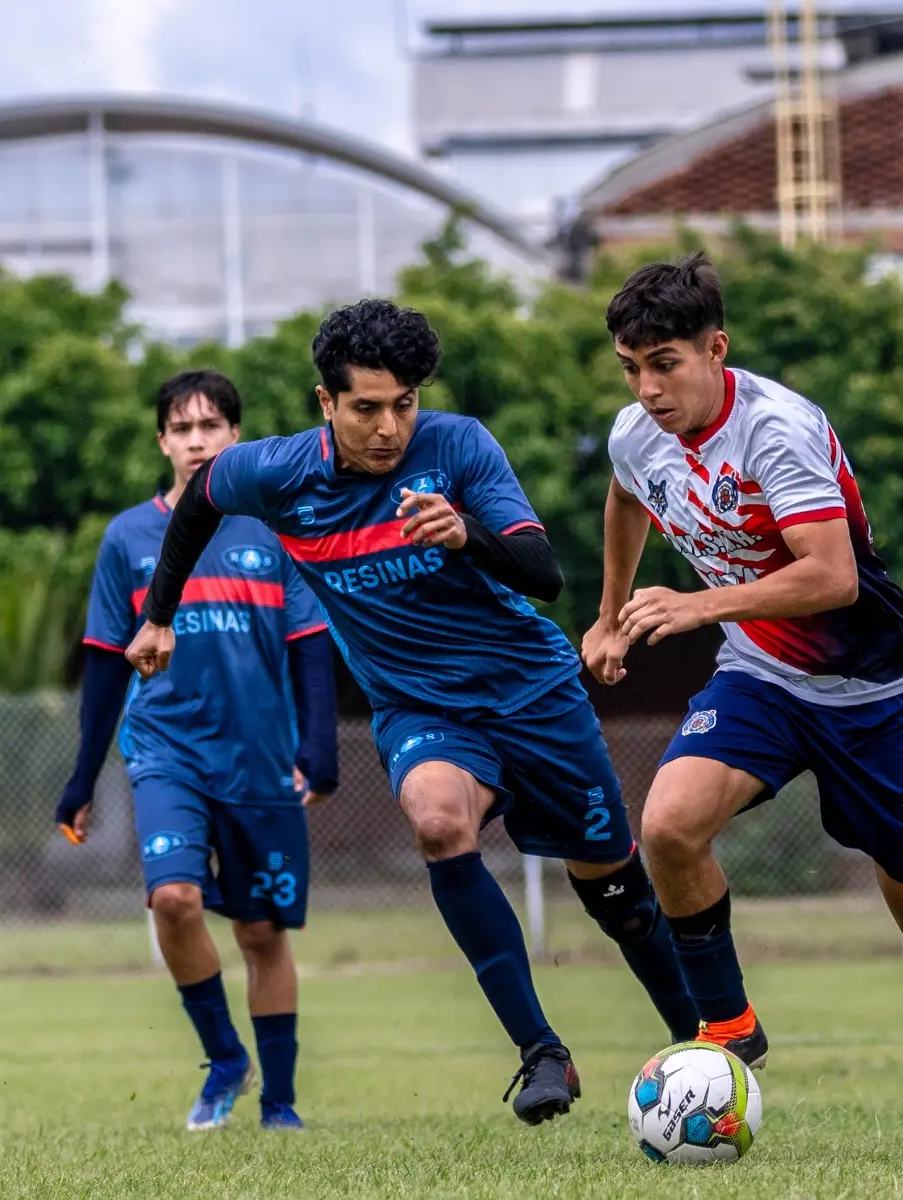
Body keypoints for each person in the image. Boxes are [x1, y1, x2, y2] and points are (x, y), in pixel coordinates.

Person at [123, 299, 699, 1126]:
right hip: (421, 709)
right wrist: (160, 614)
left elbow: (543, 575)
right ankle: (541, 1052)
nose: (389, 427)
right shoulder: (278, 472)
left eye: (404, 403)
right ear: (325, 404)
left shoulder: (457, 445)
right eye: (365, 408)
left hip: (532, 694)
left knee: (617, 893)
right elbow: (202, 498)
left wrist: (466, 535)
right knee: (436, 819)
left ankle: (702, 1046)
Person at [580, 253, 903, 1152]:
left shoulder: (776, 430)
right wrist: (608, 617)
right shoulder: (636, 434)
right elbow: (626, 494)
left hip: (874, 698)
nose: (646, 388)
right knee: (670, 829)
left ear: (715, 348)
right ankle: (728, 1029)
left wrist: (694, 605)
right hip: (763, 678)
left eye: (666, 363)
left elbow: (833, 578)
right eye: (630, 366)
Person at [55, 370, 338, 1133]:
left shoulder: (276, 529)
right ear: (162, 442)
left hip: (259, 760)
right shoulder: (128, 539)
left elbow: (311, 644)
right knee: (173, 899)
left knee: (260, 932)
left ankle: (279, 1103)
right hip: (165, 752)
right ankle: (223, 1060)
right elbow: (106, 662)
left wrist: (319, 748)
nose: (196, 440)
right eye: (181, 429)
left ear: (235, 437)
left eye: (210, 426)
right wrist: (82, 777)